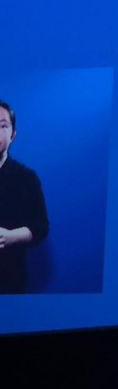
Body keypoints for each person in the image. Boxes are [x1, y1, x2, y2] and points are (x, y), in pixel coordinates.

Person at [0, 100, 48, 294]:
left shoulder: (26, 177)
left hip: (9, 280)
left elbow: (41, 227)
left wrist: (10, 237)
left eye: (3, 125)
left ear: (13, 134)